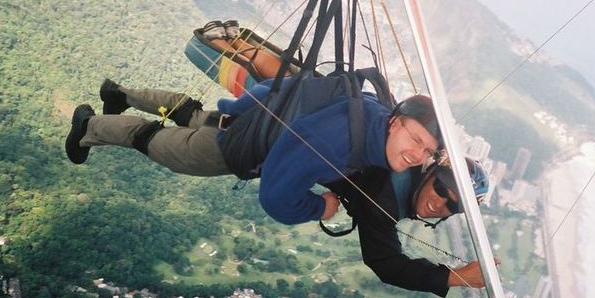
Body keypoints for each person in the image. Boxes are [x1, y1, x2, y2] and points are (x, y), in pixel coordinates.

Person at [65, 79, 441, 226]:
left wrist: (240, 106)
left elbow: (298, 85)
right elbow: (276, 197)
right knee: (152, 141)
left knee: (191, 112)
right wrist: (320, 208)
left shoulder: (371, 106)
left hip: (244, 119)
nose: (417, 154)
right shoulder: (339, 140)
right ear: (396, 122)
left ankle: (120, 94)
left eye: (428, 151)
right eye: (415, 138)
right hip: (228, 149)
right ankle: (88, 127)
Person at [322, 155, 497, 297]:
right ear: (430, 173)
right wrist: (456, 277)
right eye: (441, 189)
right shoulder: (384, 201)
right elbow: (388, 265)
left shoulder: (416, 156)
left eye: (452, 205)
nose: (438, 204)